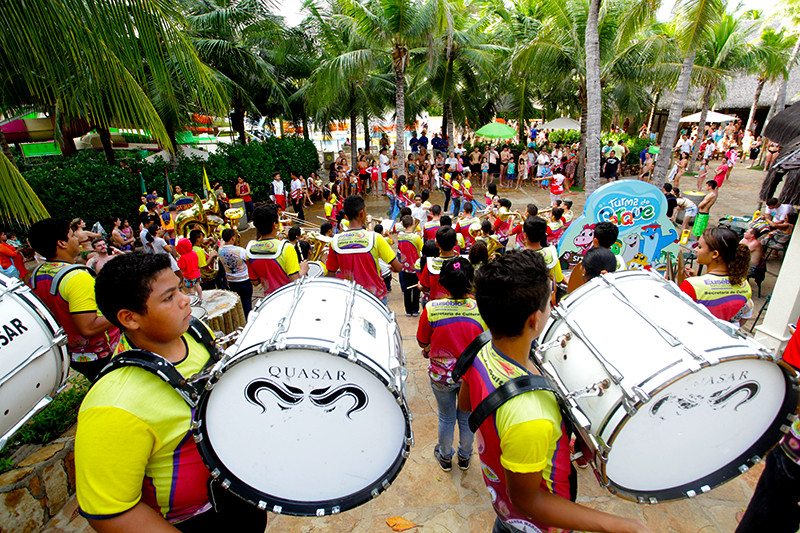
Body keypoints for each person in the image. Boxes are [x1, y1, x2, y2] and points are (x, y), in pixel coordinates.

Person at [458, 250, 653, 533]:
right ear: (534, 320)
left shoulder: (483, 349)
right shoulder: (530, 415)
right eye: (550, 302)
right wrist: (624, 526)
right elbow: (527, 501)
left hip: (503, 508)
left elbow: (466, 403)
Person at [76, 253, 268, 532]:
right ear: (130, 318)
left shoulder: (194, 333)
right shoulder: (113, 406)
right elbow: (111, 512)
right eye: (168, 297)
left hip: (241, 499)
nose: (185, 299)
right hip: (196, 521)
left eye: (180, 288)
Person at [27, 218, 121, 381]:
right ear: (62, 243)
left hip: (76, 355)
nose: (77, 239)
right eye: (72, 236)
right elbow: (88, 328)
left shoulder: (37, 274)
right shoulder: (77, 277)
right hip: (103, 354)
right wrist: (124, 307)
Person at [417, 257, 486, 472]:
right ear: (471, 281)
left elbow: (422, 341)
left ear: (443, 282)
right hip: (471, 376)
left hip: (441, 377)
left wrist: (429, 348)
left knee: (446, 417)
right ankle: (465, 456)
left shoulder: (432, 308)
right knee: (466, 419)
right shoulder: (481, 308)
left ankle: (445, 456)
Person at [326, 195, 401, 304]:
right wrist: (393, 268)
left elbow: (331, 274)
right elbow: (398, 267)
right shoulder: (375, 238)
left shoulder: (335, 241)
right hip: (375, 297)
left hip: (350, 297)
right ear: (362, 213)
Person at [681, 226, 752, 324]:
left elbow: (678, 316)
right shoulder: (744, 284)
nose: (696, 249)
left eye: (700, 247)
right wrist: (698, 279)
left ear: (714, 254)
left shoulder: (692, 285)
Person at [247, 205, 308, 295]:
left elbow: (255, 282)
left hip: (269, 297)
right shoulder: (286, 247)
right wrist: (303, 270)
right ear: (274, 225)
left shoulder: (250, 249)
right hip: (287, 296)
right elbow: (296, 281)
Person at [218, 228, 252, 318]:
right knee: (247, 301)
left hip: (231, 280)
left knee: (237, 302)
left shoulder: (220, 251)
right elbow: (249, 260)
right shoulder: (239, 250)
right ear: (232, 238)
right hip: (244, 279)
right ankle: (248, 318)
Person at [397, 215, 423, 317]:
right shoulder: (416, 238)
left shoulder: (400, 236)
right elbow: (422, 249)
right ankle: (415, 310)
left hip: (404, 267)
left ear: (403, 225)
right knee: (416, 289)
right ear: (413, 224)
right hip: (415, 268)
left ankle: (408, 310)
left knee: (407, 289)